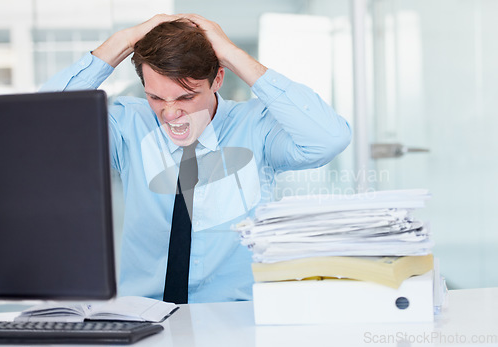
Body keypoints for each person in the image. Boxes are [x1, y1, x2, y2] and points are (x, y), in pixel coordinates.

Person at [41, 13, 352, 303]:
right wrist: (124, 40)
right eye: (156, 97)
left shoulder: (255, 127)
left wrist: (231, 53)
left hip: (237, 314)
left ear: (217, 79)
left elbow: (328, 139)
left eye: (186, 97)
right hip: (144, 314)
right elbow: (43, 122)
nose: (171, 113)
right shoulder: (128, 125)